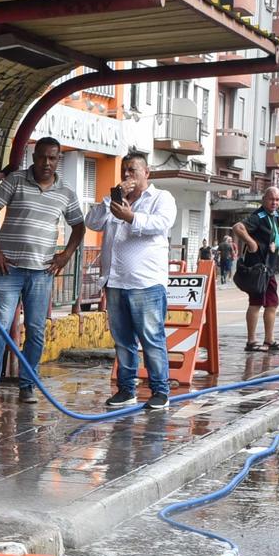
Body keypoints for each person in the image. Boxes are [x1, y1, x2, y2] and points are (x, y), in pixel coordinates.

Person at [0, 135, 87, 403]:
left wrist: (65, 256)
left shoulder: (66, 192)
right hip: (10, 269)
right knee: (1, 327)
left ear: (58, 159)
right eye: (42, 157)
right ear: (34, 157)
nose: (46, 163)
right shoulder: (15, 180)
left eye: (52, 158)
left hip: (42, 272)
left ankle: (28, 385)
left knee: (36, 330)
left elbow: (79, 226)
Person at [84, 150, 178, 411]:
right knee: (123, 341)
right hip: (115, 282)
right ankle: (127, 390)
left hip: (145, 283)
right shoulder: (115, 200)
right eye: (124, 171)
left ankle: (160, 391)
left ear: (146, 173)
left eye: (132, 170)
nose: (127, 175)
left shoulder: (161, 198)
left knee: (152, 338)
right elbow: (91, 222)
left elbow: (161, 224)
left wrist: (131, 217)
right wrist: (111, 200)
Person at [229, 184, 279, 353]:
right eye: (271, 199)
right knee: (255, 304)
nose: (274, 202)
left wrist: (276, 244)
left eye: (277, 199)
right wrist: (251, 242)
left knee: (272, 304)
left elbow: (276, 236)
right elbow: (237, 227)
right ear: (264, 200)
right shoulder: (259, 216)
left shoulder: (274, 216)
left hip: (269, 269)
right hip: (257, 269)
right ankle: (251, 341)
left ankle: (270, 340)